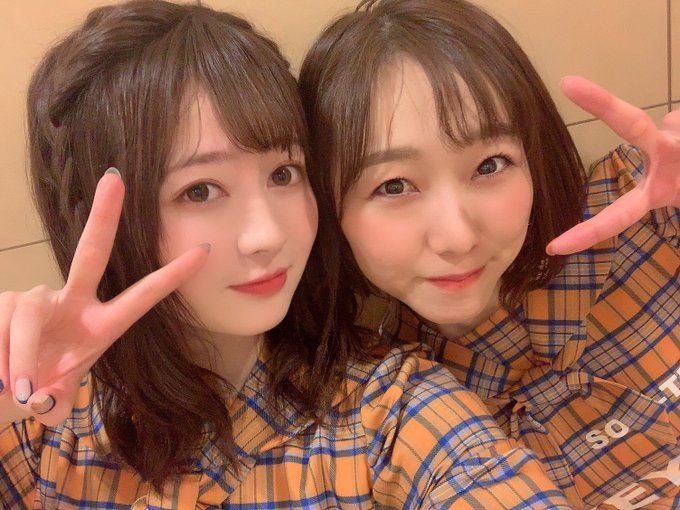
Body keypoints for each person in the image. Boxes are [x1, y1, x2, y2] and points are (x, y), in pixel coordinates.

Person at [0, 1, 572, 508]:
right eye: (200, 191)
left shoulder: (390, 413)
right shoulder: (44, 422)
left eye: (283, 173)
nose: (267, 234)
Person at [298, 0, 680, 508]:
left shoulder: (647, 209)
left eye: (490, 165)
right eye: (393, 186)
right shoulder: (388, 419)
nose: (456, 237)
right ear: (328, 210)